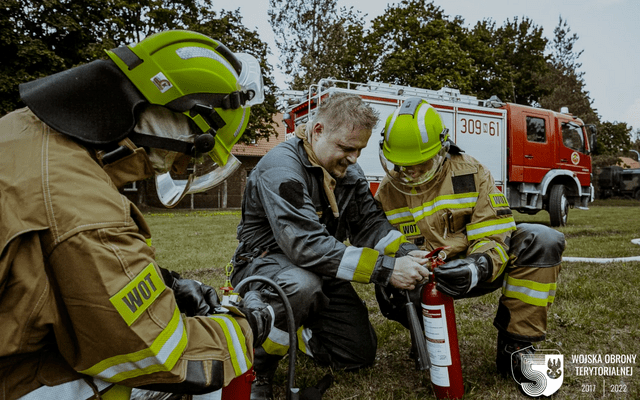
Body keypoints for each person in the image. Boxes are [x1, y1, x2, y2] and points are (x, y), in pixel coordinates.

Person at [0, 30, 273, 400]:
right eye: (191, 157)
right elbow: (162, 356)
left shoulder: (23, 130)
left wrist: (168, 283)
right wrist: (248, 326)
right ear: (177, 123)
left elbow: (53, 263)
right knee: (146, 379)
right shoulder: (81, 202)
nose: (180, 167)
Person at [230, 93, 431, 399]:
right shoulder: (281, 168)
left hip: (319, 270)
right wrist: (386, 269)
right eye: (347, 148)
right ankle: (257, 366)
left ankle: (299, 328)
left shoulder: (348, 172)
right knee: (301, 286)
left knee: (357, 355)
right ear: (318, 130)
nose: (353, 158)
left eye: (360, 150)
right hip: (267, 265)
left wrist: (406, 254)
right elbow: (305, 246)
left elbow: (369, 225)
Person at [374, 97, 566, 386]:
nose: (410, 173)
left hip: (476, 267)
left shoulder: (471, 173)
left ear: (441, 148)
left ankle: (517, 346)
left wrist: (477, 267)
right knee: (431, 361)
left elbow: (495, 231)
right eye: (401, 165)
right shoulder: (388, 193)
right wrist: (388, 275)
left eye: (419, 164)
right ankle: (424, 337)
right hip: (425, 280)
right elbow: (382, 243)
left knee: (542, 238)